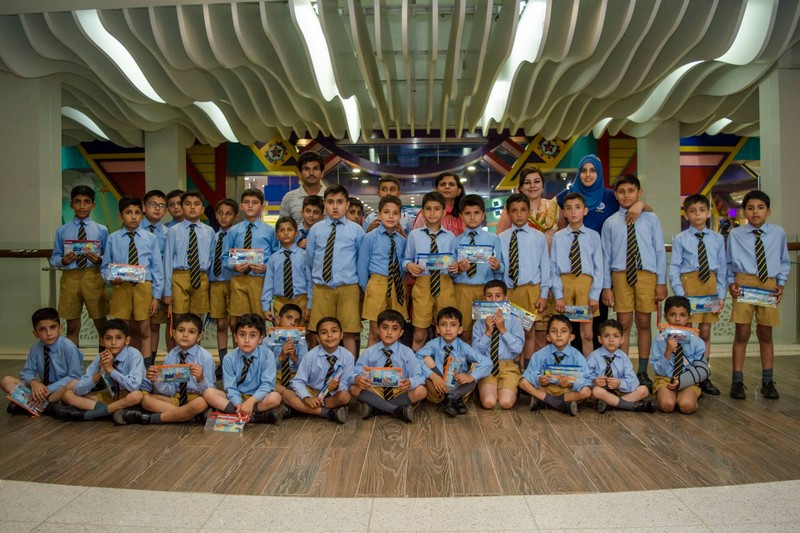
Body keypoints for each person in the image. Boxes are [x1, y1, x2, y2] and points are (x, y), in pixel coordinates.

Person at [555, 155, 646, 350]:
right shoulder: (566, 195)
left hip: (599, 270)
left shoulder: (610, 196)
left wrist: (640, 204)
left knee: (595, 326)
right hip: (570, 275)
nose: (588, 175)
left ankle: (596, 364)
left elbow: (633, 204)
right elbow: (555, 218)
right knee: (570, 328)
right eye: (583, 170)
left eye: (593, 170)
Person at [601, 175, 666, 391]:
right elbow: (606, 257)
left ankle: (642, 370)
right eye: (621, 191)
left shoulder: (651, 219)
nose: (626, 195)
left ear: (639, 192)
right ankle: (623, 370)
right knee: (624, 323)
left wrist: (661, 281)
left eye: (631, 191)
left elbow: (659, 250)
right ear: (615, 195)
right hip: (621, 275)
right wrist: (607, 287)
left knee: (644, 322)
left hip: (646, 275)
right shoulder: (610, 223)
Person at [727, 190, 790, 400]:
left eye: (760, 208)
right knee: (742, 333)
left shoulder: (778, 233)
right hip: (744, 283)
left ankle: (768, 381)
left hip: (768, 284)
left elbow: (783, 260)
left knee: (765, 333)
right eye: (750, 208)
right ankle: (737, 381)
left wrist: (781, 283)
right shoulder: (736, 234)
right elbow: (729, 262)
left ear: (768, 211)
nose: (755, 212)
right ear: (744, 211)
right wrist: (730, 282)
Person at [669, 194, 726, 395]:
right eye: (692, 211)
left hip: (710, 285)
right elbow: (674, 267)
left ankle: (703, 374)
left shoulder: (717, 238)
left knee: (705, 332)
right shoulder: (680, 239)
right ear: (686, 215)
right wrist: (680, 295)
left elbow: (722, 269)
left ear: (708, 213)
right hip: (689, 285)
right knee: (688, 332)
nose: (698, 215)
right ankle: (684, 373)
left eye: (702, 210)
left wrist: (721, 295)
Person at [114, 313, 215, 425]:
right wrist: (156, 379)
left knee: (201, 402)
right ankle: (190, 415)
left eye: (191, 332)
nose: (185, 335)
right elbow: (169, 391)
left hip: (196, 397)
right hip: (175, 398)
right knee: (146, 399)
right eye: (181, 330)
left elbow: (209, 393)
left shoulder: (206, 357)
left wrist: (200, 379)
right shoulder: (171, 356)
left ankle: (152, 418)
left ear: (199, 337)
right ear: (174, 334)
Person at [306, 185, 364, 354]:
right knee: (320, 332)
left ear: (347, 204)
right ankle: (316, 367)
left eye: (340, 202)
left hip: (348, 287)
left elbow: (361, 261)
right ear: (325, 204)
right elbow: (310, 260)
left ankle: (350, 368)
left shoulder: (356, 230)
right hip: (322, 287)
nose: (335, 206)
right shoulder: (316, 229)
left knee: (349, 332)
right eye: (331, 202)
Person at [101, 196, 164, 354]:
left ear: (142, 214)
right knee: (121, 330)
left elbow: (157, 269)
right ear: (120, 216)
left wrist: (156, 297)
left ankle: (146, 364)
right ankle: (122, 363)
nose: (133, 216)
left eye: (137, 212)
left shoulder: (150, 238)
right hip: (121, 287)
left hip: (143, 287)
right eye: (129, 212)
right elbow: (105, 267)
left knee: (144, 330)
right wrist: (111, 279)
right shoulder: (113, 238)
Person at [50, 184, 110, 348]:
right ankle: (73, 362)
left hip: (93, 276)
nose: (82, 206)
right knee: (72, 325)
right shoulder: (62, 230)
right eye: (77, 201)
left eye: (86, 202)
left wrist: (99, 259)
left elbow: (109, 257)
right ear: (71, 204)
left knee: (101, 324)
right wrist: (63, 261)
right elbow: (54, 257)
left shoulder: (102, 230)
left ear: (93, 205)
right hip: (70, 277)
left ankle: (104, 360)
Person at [57, 319, 146, 421]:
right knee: (68, 394)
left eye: (118, 338)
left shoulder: (134, 354)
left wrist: (110, 369)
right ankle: (113, 411)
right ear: (102, 341)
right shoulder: (101, 357)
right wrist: (100, 372)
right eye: (108, 338)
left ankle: (92, 415)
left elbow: (134, 386)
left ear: (127, 340)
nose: (113, 342)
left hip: (133, 395)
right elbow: (78, 389)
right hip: (113, 396)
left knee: (136, 396)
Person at [497, 193, 550, 363]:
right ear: (508, 213)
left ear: (529, 212)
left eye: (523, 210)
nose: (519, 215)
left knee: (529, 332)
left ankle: (527, 368)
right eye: (514, 211)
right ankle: (513, 368)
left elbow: (545, 267)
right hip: (509, 293)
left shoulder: (538, 237)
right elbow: (499, 269)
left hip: (530, 291)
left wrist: (543, 294)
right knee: (509, 330)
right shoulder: (501, 238)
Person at [203, 314, 283, 424]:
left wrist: (251, 401)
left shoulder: (267, 355)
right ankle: (253, 415)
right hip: (236, 396)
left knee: (275, 397)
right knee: (208, 393)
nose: (246, 340)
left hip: (258, 397)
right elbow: (230, 387)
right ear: (235, 337)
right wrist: (238, 403)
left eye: (252, 335)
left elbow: (267, 385)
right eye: (242, 335)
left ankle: (236, 413)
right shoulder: (228, 358)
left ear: (260, 339)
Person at [404, 191, 458, 351]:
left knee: (446, 331)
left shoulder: (450, 236)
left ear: (443, 212)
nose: (432, 213)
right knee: (420, 333)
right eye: (428, 209)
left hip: (445, 284)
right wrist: (409, 266)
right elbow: (406, 259)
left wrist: (455, 267)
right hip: (423, 285)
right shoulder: (414, 235)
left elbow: (454, 262)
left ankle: (444, 363)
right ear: (422, 211)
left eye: (436, 209)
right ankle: (416, 364)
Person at [1, 308, 83, 415]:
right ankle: (44, 406)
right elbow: (27, 372)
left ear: (60, 328)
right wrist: (33, 382)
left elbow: (75, 376)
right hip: (43, 389)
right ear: (35, 333)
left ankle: (32, 405)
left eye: (53, 327)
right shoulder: (35, 349)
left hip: (61, 389)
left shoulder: (69, 348)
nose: (49, 333)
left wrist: (48, 389)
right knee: (6, 381)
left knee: (74, 385)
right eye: (42, 329)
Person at [350, 310, 425, 422]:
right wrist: (357, 378)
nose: (389, 332)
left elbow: (420, 377)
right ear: (378, 330)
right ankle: (396, 410)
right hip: (375, 391)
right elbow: (354, 372)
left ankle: (376, 407)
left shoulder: (407, 352)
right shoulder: (369, 352)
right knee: (353, 388)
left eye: (394, 329)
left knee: (421, 391)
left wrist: (410, 382)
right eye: (385, 328)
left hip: (399, 391)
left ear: (401, 333)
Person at [550, 192, 602, 355]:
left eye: (577, 207)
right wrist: (558, 295)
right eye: (569, 208)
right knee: (562, 332)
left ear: (585, 211)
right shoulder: (558, 237)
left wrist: (594, 295)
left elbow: (598, 268)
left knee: (587, 334)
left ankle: (588, 367)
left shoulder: (593, 236)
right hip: (565, 284)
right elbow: (553, 268)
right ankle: (565, 365)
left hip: (585, 285)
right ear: (564, 213)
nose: (573, 212)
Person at [417, 307, 491, 417]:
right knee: (426, 359)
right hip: (438, 387)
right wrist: (433, 376)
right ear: (438, 329)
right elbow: (416, 358)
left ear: (460, 329)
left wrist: (470, 377)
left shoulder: (464, 347)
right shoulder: (433, 344)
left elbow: (487, 362)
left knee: (477, 369)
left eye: (453, 325)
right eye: (443, 325)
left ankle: (451, 397)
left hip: (459, 386)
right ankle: (453, 400)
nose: (448, 329)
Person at [282, 316, 354, 424]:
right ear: (318, 338)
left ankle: (301, 409)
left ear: (341, 335)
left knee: (345, 396)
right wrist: (306, 398)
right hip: (311, 391)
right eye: (324, 332)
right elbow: (298, 381)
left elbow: (346, 384)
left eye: (334, 331)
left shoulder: (348, 356)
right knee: (286, 394)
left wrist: (337, 387)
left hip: (331, 396)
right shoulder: (310, 356)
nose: (329, 335)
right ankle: (327, 413)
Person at [358, 195, 408, 346]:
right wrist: (368, 289)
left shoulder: (402, 240)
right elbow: (362, 266)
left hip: (397, 286)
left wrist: (401, 286)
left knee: (396, 328)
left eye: (395, 213)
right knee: (375, 330)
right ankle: (372, 361)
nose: (391, 216)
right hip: (377, 284)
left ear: (400, 216)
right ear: (379, 215)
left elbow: (403, 266)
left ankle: (394, 360)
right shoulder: (369, 237)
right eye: (386, 212)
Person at [452, 194, 502, 342]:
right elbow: (450, 271)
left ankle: (482, 357)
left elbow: (502, 268)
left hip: (486, 290)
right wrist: (458, 269)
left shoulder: (493, 239)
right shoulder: (456, 241)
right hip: (462, 290)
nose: (472, 217)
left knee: (486, 330)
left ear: (483, 214)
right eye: (467, 213)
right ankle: (465, 357)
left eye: (476, 213)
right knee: (464, 331)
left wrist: (497, 266)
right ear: (461, 216)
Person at [520, 315, 591, 416]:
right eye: (554, 331)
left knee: (586, 391)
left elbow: (586, 380)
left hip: (567, 391)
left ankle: (544, 401)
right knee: (523, 382)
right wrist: (538, 379)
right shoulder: (539, 355)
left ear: (571, 337)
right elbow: (528, 374)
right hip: (546, 389)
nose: (559, 335)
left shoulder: (577, 356)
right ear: (548, 337)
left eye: (563, 331)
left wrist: (571, 384)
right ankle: (560, 405)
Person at [225, 189, 278, 320]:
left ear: (262, 206)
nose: (250, 205)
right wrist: (233, 266)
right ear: (241, 206)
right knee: (237, 320)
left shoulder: (270, 231)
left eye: (255, 202)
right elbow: (224, 256)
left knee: (258, 319)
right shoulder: (233, 231)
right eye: (246, 202)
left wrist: (266, 267)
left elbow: (276, 256)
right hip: (238, 278)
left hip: (260, 280)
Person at [472, 280, 525, 410]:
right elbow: (475, 353)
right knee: (489, 402)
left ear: (505, 299)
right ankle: (484, 389)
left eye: (498, 296)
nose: (493, 300)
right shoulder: (479, 322)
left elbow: (518, 348)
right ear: (484, 298)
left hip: (508, 367)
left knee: (505, 403)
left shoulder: (514, 320)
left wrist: (503, 329)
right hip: (486, 367)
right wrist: (487, 332)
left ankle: (511, 389)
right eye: (489, 296)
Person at [650, 297, 707, 414]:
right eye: (672, 315)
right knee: (667, 405)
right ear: (665, 317)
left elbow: (702, 370)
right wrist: (667, 352)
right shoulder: (659, 340)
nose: (677, 319)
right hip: (664, 379)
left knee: (687, 406)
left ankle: (690, 397)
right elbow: (658, 370)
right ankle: (664, 397)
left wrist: (682, 381)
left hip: (688, 380)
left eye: (682, 315)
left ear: (689, 317)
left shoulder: (697, 342)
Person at [163, 192, 216, 316]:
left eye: (196, 204)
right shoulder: (173, 231)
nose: (192, 207)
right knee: (179, 316)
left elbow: (212, 258)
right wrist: (167, 290)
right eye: (188, 204)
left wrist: (210, 285)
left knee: (197, 317)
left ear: (202, 209)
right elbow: (167, 261)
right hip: (179, 276)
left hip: (201, 276)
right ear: (181, 208)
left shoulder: (209, 231)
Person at [587, 319, 654, 413]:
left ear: (622, 339)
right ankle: (630, 406)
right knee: (596, 391)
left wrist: (620, 383)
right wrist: (594, 382)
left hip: (620, 392)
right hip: (602, 392)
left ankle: (611, 404)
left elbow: (633, 381)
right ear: (600, 339)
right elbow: (585, 377)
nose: (611, 340)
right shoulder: (593, 356)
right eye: (606, 336)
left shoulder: (624, 357)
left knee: (644, 390)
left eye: (616, 336)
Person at [208, 198, 239, 378]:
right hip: (216, 283)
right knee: (221, 324)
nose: (224, 217)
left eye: (228, 214)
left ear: (235, 216)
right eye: (220, 213)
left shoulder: (237, 235)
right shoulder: (213, 236)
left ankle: (237, 360)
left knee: (234, 324)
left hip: (233, 281)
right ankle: (222, 361)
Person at [262, 216, 312, 325]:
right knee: (280, 332)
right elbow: (268, 284)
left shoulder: (304, 256)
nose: (286, 233)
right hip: (280, 301)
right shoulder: (273, 258)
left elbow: (310, 281)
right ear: (276, 235)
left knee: (302, 331)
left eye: (289, 230)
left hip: (301, 299)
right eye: (282, 230)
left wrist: (310, 305)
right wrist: (265, 307)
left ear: (296, 233)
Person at [141, 190, 170, 365]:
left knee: (154, 325)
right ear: (144, 207)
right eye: (153, 204)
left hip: (159, 284)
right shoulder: (135, 230)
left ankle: (149, 363)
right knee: (137, 326)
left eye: (161, 206)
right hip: (138, 283)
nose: (157, 209)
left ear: (165, 210)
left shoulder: (168, 233)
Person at [262, 304, 307, 394]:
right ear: (279, 319)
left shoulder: (301, 341)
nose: (293, 323)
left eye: (296, 320)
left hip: (295, 377)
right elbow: (264, 368)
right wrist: (281, 356)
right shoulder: (267, 340)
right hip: (274, 376)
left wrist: (294, 357)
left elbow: (306, 369)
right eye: (289, 318)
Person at [280, 151, 327, 226]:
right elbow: (282, 227)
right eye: (306, 169)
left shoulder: (331, 198)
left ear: (322, 173)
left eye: (315, 168)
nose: (311, 173)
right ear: (299, 173)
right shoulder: (289, 198)